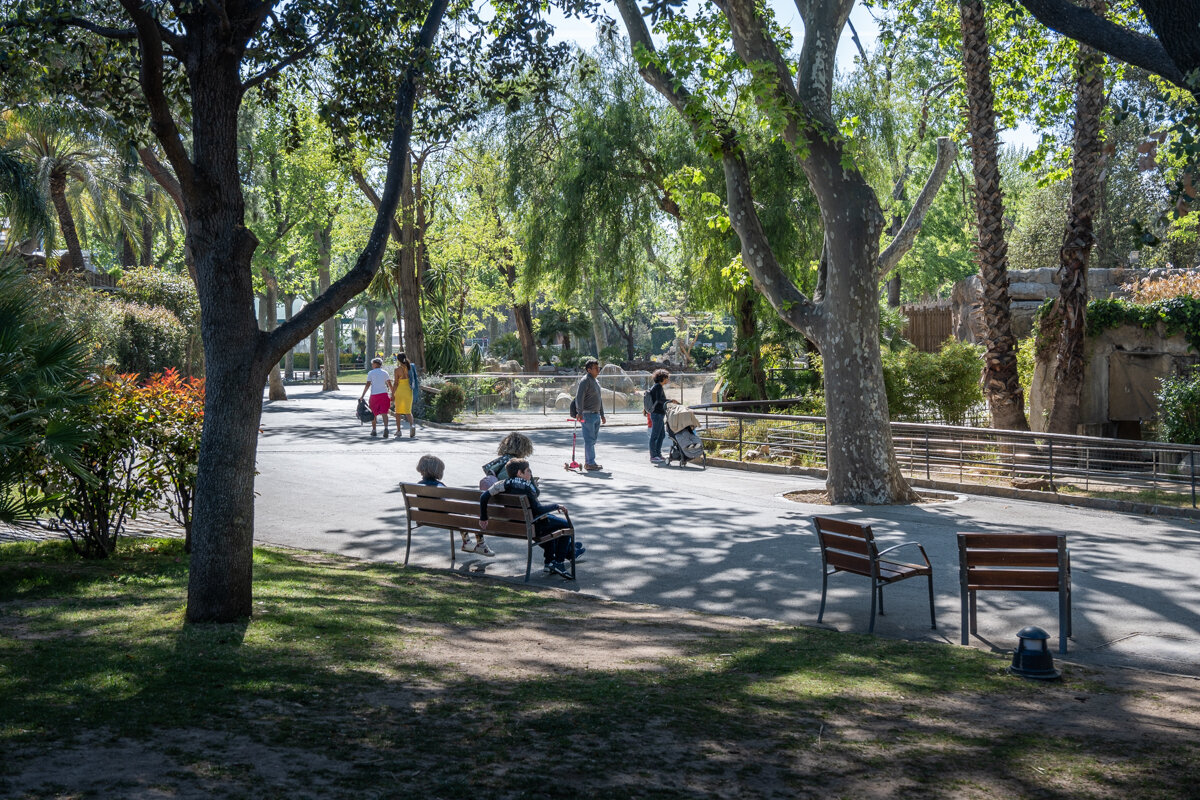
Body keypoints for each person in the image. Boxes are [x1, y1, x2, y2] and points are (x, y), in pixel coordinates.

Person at [478, 458, 581, 578]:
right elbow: (539, 510)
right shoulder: (527, 487)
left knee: (552, 524)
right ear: (519, 473)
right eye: (527, 471)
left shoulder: (502, 484)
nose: (530, 473)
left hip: (517, 525)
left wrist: (483, 518)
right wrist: (557, 506)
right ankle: (558, 562)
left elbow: (483, 497)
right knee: (565, 524)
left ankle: (551, 561)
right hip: (534, 525)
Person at [417, 454, 495, 557]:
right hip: (447, 519)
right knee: (471, 511)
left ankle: (467, 542)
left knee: (460, 512)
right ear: (438, 471)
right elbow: (449, 505)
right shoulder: (440, 487)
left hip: (426, 517)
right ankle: (480, 544)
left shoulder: (417, 486)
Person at [573, 357, 606, 471]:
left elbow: (599, 399)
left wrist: (602, 414)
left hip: (596, 414)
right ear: (588, 370)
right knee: (589, 439)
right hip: (587, 414)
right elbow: (579, 397)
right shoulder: (585, 381)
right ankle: (590, 462)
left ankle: (590, 461)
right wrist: (579, 412)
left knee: (593, 439)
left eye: (598, 368)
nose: (598, 370)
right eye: (595, 368)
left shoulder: (596, 381)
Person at [646, 368, 677, 463]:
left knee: (662, 435)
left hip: (658, 414)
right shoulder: (658, 387)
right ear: (662, 378)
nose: (667, 380)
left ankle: (658, 453)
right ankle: (654, 455)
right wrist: (670, 401)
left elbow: (658, 399)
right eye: (666, 378)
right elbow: (659, 400)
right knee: (655, 435)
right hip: (657, 414)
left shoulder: (657, 386)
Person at [359, 357, 392, 438]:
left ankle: (374, 430)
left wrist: (362, 395)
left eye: (372, 364)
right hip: (384, 395)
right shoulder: (385, 372)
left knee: (373, 413)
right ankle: (386, 428)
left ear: (376, 364)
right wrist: (393, 394)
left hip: (374, 395)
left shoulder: (371, 373)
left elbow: (367, 385)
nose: (372, 365)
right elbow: (389, 384)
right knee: (384, 413)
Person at [393, 352, 419, 438]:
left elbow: (396, 383)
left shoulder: (397, 370)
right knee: (408, 411)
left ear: (398, 359)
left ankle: (398, 431)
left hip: (400, 391)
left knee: (398, 412)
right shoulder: (410, 367)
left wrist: (392, 393)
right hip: (408, 390)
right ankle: (412, 425)